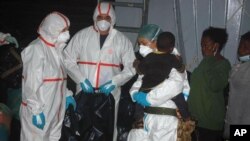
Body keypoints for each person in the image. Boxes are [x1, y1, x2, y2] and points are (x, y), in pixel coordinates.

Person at [63, 2, 136, 141]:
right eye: (100, 17)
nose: (103, 21)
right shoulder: (82, 36)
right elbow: (67, 59)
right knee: (82, 127)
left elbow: (131, 66)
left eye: (107, 17)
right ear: (95, 17)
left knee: (108, 130)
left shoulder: (121, 40)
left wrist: (115, 82)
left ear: (113, 19)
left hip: (109, 95)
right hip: (84, 92)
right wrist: (81, 79)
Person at [20, 11, 76, 141]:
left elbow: (58, 79)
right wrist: (36, 111)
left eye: (67, 29)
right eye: (64, 30)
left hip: (55, 109)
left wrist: (66, 94)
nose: (67, 33)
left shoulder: (57, 49)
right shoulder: (36, 49)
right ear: (53, 29)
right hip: (40, 110)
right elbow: (31, 84)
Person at [127, 24, 189, 141]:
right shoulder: (150, 60)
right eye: (139, 44)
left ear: (155, 42)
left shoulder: (173, 60)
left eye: (144, 44)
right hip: (146, 116)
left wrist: (148, 98)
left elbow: (174, 86)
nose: (141, 47)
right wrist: (135, 93)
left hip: (164, 118)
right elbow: (140, 80)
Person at [187, 26, 231, 141]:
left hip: (209, 124)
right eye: (202, 45)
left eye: (206, 45)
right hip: (195, 122)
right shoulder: (205, 63)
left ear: (216, 46)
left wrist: (209, 58)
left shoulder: (223, 64)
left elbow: (215, 85)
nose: (202, 48)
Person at [223, 31, 250, 139]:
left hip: (244, 122)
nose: (240, 49)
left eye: (246, 47)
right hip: (233, 119)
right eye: (240, 45)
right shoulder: (238, 66)